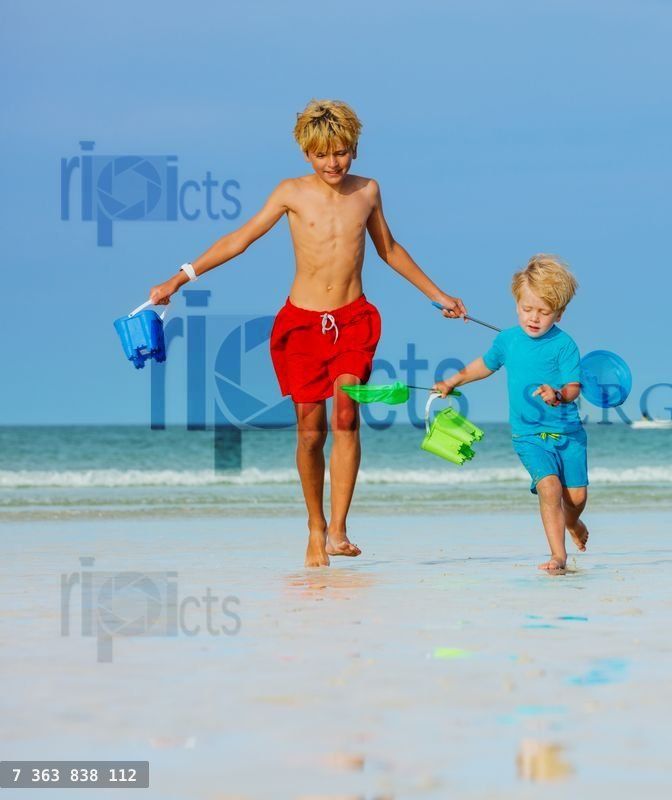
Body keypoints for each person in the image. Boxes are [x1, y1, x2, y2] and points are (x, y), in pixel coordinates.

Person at [147, 99, 468, 567]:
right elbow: (240, 238)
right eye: (322, 155)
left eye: (339, 152)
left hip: (353, 321)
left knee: (346, 419)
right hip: (301, 326)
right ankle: (315, 525)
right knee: (310, 433)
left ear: (353, 148)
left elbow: (389, 249)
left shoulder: (368, 192)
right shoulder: (291, 193)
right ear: (307, 155)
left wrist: (437, 295)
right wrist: (179, 277)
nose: (332, 163)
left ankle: (338, 529)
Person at [433, 255, 589, 573]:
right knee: (549, 487)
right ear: (516, 303)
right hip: (528, 434)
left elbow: (574, 387)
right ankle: (558, 555)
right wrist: (452, 380)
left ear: (558, 313)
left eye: (543, 312)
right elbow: (484, 365)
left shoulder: (564, 345)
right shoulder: (507, 340)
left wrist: (558, 394)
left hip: (568, 433)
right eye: (526, 309)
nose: (533, 318)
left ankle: (573, 523)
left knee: (576, 498)